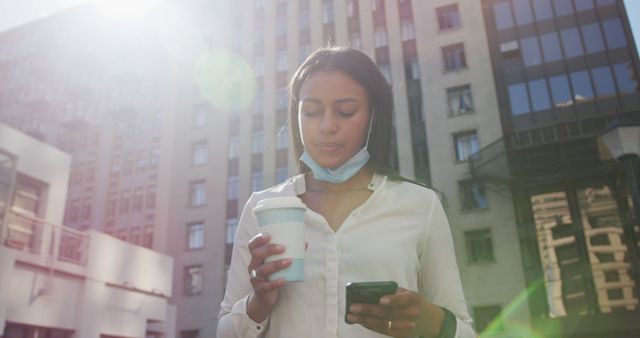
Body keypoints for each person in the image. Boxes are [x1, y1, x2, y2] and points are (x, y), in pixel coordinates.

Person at [217, 47, 476, 338]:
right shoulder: (263, 208)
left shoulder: (420, 205)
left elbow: (465, 330)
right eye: (311, 112)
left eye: (346, 111)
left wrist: (433, 322)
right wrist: (258, 302)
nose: (327, 126)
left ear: (373, 117)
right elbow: (225, 331)